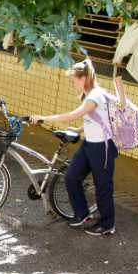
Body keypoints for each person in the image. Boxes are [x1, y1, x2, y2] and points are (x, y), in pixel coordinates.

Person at [30, 59, 116, 235]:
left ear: (83, 79)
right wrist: (78, 129)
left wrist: (44, 118)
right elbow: (96, 118)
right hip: (89, 144)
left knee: (103, 186)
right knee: (71, 177)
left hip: (102, 146)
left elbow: (73, 115)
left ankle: (107, 224)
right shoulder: (89, 94)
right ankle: (82, 213)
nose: (72, 84)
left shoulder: (95, 96)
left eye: (73, 81)